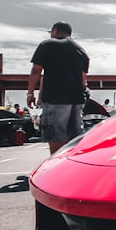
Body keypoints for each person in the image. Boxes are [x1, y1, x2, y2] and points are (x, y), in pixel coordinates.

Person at [27, 21, 90, 154]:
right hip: (77, 100)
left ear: (55, 31)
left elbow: (36, 71)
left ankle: (55, 167)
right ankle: (73, 168)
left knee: (56, 136)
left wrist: (30, 93)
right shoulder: (81, 50)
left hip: (55, 98)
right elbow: (83, 78)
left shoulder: (47, 45)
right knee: (75, 137)